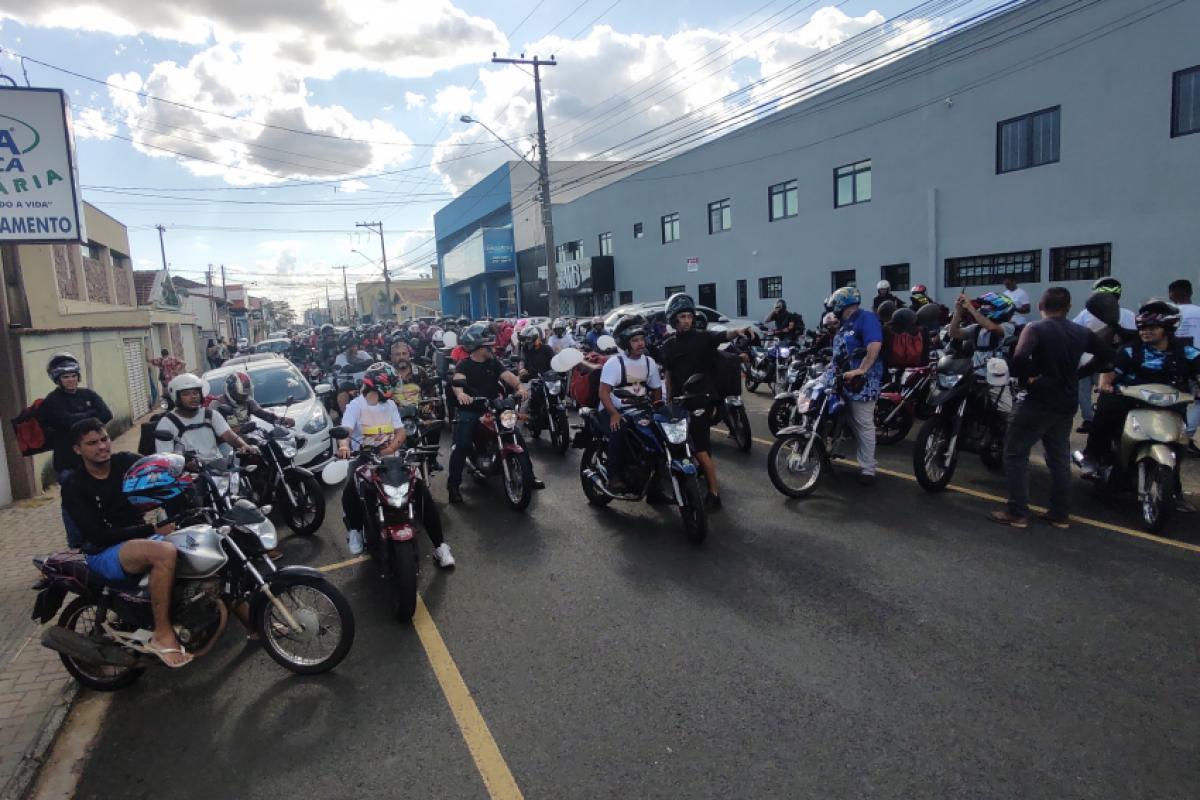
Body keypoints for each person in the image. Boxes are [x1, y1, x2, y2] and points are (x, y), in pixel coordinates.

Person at [61, 419, 191, 668]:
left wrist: (189, 467)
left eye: (104, 439)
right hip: (104, 551)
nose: (102, 446)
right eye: (92, 443)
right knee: (164, 553)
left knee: (199, 545)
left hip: (139, 539)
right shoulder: (74, 485)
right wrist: (152, 529)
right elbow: (97, 534)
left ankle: (256, 625)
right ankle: (162, 634)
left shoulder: (124, 462)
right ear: (78, 450)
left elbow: (159, 468)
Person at [988, 287, 1112, 529]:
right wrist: (1079, 374)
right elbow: (1107, 356)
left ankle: (1017, 512)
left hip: (1039, 399)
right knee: (1058, 458)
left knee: (1015, 453)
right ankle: (1059, 513)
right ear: (1068, 308)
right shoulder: (1081, 331)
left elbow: (1020, 358)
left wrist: (1029, 379)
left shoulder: (1035, 328)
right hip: (1066, 402)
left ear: (1040, 307)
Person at [336, 363, 455, 565]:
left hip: (393, 457)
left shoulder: (390, 405)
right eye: (390, 384)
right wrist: (344, 446)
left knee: (421, 492)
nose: (392, 388)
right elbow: (345, 431)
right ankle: (355, 530)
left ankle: (440, 547)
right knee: (351, 488)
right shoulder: (356, 405)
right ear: (376, 384)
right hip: (365, 456)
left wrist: (391, 449)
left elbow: (400, 432)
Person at [1079, 301, 1200, 486]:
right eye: (1142, 327)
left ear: (1167, 328)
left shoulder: (1187, 352)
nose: (1145, 331)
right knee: (1105, 410)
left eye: (1152, 327)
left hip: (1171, 404)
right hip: (1131, 400)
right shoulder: (1131, 350)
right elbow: (1110, 371)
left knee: (1180, 443)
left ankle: (1175, 488)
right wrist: (1105, 384)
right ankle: (1092, 457)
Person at [657, 293, 754, 509]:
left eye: (689, 316)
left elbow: (723, 335)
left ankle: (714, 494)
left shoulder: (703, 337)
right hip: (680, 402)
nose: (686, 320)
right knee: (674, 444)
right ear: (673, 320)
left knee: (701, 450)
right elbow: (669, 375)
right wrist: (669, 400)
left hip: (702, 399)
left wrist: (740, 331)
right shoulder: (669, 345)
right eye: (681, 317)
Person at [446, 323, 544, 504]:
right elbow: (457, 383)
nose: (491, 348)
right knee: (462, 444)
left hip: (494, 406)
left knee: (515, 435)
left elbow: (509, 377)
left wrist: (520, 387)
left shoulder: (493, 362)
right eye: (487, 346)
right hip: (471, 409)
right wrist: (462, 395)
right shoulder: (464, 365)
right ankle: (453, 486)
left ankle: (529, 476)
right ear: (477, 347)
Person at [36, 353, 114, 548]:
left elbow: (106, 414)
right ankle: (76, 542)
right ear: (57, 380)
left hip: (94, 460)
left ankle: (102, 534)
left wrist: (80, 418)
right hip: (68, 462)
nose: (70, 380)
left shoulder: (88, 394)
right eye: (65, 377)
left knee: (100, 498)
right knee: (72, 503)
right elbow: (68, 422)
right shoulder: (52, 401)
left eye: (73, 376)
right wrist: (90, 416)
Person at [824, 286, 884, 485]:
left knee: (862, 424)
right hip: (840, 379)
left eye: (834, 305)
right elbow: (840, 353)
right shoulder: (844, 323)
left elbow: (874, 345)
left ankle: (868, 468)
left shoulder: (866, 318)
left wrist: (862, 370)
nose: (833, 309)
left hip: (862, 382)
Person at [598, 315, 664, 493]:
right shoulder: (615, 363)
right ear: (626, 343)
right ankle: (614, 476)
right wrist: (613, 414)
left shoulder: (649, 362)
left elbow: (656, 389)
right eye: (635, 340)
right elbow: (604, 393)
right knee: (618, 430)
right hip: (613, 409)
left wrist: (658, 408)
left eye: (642, 339)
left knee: (661, 434)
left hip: (640, 409)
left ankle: (656, 485)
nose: (640, 343)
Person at [1072, 277, 1137, 433]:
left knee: (1089, 394)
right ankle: (1092, 420)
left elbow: (1073, 332)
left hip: (1104, 361)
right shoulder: (1129, 314)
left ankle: (1093, 420)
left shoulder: (1086, 313)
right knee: (1090, 393)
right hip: (1104, 360)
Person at [155, 373, 258, 460]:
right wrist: (186, 463)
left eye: (196, 392)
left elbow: (229, 435)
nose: (193, 397)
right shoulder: (167, 423)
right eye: (186, 394)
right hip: (187, 475)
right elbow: (166, 458)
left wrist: (244, 445)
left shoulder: (210, 415)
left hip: (217, 467)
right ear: (176, 397)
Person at [1168, 279, 1200, 454]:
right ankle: (1186, 435)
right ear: (1190, 293)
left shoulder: (1168, 312)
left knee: (1172, 399)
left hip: (1173, 362)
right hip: (1197, 362)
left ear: (1172, 294)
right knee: (1198, 402)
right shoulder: (1199, 312)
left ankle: (1173, 435)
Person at [220, 372, 295, 429]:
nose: (243, 398)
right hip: (226, 445)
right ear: (230, 391)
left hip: (246, 437)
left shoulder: (248, 402)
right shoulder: (217, 404)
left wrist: (282, 419)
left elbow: (264, 414)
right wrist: (239, 430)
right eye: (239, 395)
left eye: (245, 395)